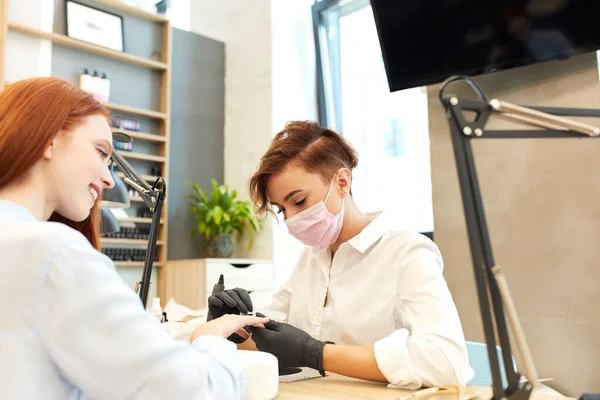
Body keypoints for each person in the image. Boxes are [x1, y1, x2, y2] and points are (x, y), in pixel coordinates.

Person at [0, 77, 269, 399]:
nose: (108, 179)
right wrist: (210, 338)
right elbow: (192, 393)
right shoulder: (54, 253)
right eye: (101, 152)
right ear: (49, 139)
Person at [207, 120, 474, 388]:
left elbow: (447, 362)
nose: (291, 219)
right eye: (282, 209)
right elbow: (273, 339)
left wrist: (316, 353)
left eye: (299, 201)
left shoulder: (406, 252)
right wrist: (228, 330)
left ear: (342, 182)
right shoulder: (311, 259)